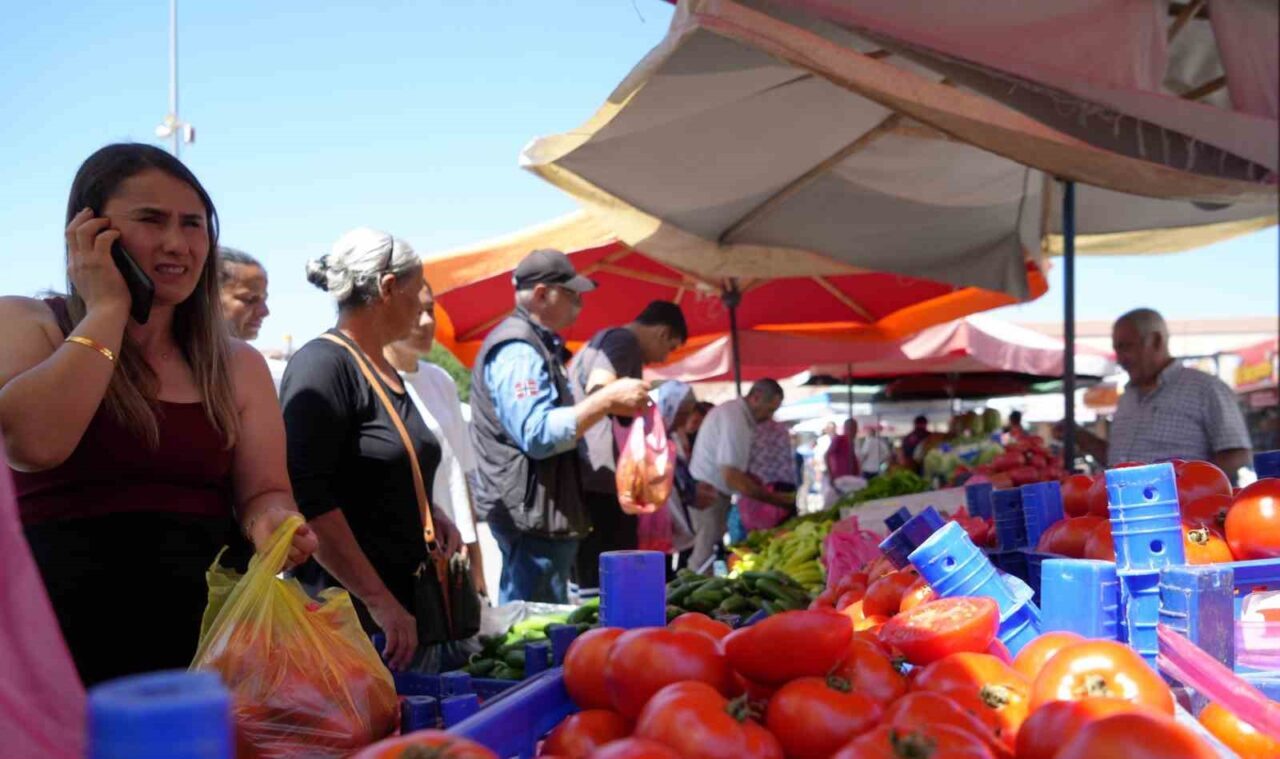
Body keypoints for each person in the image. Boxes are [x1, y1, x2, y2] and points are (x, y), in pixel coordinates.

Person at [0, 144, 317, 686]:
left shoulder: (237, 364)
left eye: (193, 224)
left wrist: (273, 523)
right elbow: (33, 444)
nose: (177, 243)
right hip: (54, 660)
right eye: (151, 220)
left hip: (204, 656)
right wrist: (107, 309)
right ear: (87, 232)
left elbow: (265, 491)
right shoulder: (28, 323)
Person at [282, 227, 464, 672]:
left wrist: (425, 510)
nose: (423, 306)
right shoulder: (322, 365)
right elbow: (310, 497)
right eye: (417, 289)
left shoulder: (379, 366)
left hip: (403, 609)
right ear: (387, 288)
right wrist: (378, 600)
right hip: (358, 620)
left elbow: (377, 471)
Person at [470, 249, 650, 603]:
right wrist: (606, 401)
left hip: (539, 511)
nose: (579, 305)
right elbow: (537, 434)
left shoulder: (533, 344)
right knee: (531, 632)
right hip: (530, 515)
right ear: (540, 294)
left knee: (542, 626)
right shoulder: (518, 347)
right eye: (572, 294)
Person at [570, 300, 688, 594]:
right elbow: (600, 389)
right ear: (662, 333)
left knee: (598, 582)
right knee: (607, 586)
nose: (663, 358)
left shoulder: (609, 339)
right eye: (670, 347)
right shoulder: (622, 342)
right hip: (600, 478)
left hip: (592, 476)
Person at [384, 277, 488, 599]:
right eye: (416, 312)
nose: (428, 322)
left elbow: (459, 478)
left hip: (453, 552)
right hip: (408, 559)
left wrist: (476, 559)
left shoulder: (440, 380)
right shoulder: (372, 384)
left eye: (430, 310)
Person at [1066, 308, 1251, 479]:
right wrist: (1081, 437)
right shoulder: (1127, 396)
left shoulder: (1206, 388)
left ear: (1155, 340)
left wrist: (1189, 487)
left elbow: (1237, 454)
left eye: (1126, 347)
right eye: (1116, 349)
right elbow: (1118, 459)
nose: (1120, 359)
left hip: (1185, 510)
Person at [688, 379, 793, 572]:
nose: (769, 417)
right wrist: (775, 500)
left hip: (713, 493)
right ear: (756, 398)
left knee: (709, 553)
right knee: (704, 555)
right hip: (709, 494)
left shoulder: (738, 416)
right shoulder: (735, 418)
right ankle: (682, 598)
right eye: (769, 410)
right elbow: (731, 475)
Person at [217, 246, 287, 389]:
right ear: (209, 297)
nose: (264, 311)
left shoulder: (253, 370)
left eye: (263, 300)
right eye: (249, 299)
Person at [736, 417, 799, 533]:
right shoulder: (781, 428)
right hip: (784, 484)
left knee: (763, 535)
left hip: (759, 488)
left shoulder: (747, 429)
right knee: (789, 531)